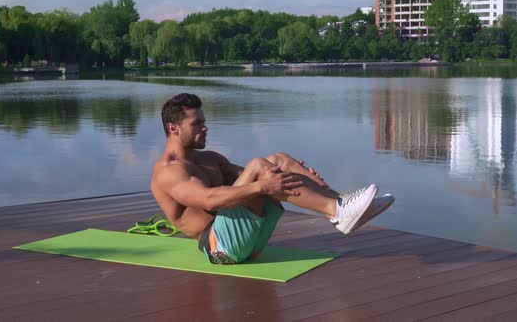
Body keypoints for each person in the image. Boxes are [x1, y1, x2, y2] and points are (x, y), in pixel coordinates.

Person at [151, 93, 394, 265]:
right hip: (221, 250)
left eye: (204, 122)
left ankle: (341, 204)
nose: (205, 128)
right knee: (259, 167)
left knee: (277, 161)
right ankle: (337, 211)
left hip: (252, 242)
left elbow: (259, 174)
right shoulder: (168, 172)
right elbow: (209, 200)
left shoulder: (210, 159)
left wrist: (300, 178)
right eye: (197, 124)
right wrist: (262, 185)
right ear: (174, 128)